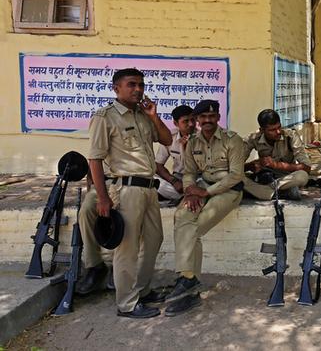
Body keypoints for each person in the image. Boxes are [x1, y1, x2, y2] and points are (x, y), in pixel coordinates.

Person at [86, 68, 173, 318]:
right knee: (127, 248)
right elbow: (94, 159)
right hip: (125, 189)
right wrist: (103, 198)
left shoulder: (143, 115)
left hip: (148, 188)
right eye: (131, 84)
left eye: (141, 85)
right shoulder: (105, 117)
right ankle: (127, 303)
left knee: (154, 240)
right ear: (116, 88)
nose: (138, 89)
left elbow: (167, 140)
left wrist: (155, 117)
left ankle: (142, 291)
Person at [165, 99, 244, 316]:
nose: (207, 120)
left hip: (228, 191)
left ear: (218, 118)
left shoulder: (232, 139)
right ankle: (189, 280)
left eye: (212, 116)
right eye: (203, 117)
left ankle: (188, 282)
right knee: (182, 217)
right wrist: (190, 190)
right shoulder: (192, 143)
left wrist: (206, 193)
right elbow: (189, 172)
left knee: (195, 228)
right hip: (201, 189)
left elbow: (236, 174)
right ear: (197, 120)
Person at [240, 109, 312, 201]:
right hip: (263, 177)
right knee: (233, 176)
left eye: (279, 127)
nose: (278, 132)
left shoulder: (291, 136)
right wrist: (250, 166)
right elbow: (235, 166)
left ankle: (263, 192)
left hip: (285, 179)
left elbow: (307, 168)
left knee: (302, 176)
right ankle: (282, 192)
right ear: (262, 130)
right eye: (272, 130)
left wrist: (276, 165)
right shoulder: (253, 138)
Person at [155, 105, 196, 206]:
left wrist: (187, 148)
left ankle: (182, 197)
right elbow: (158, 165)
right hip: (178, 179)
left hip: (196, 179)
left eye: (193, 120)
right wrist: (173, 181)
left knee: (205, 185)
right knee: (153, 180)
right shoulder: (169, 137)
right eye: (186, 121)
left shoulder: (202, 137)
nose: (191, 124)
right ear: (176, 123)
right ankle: (184, 197)